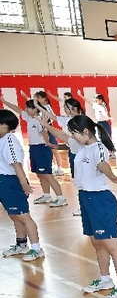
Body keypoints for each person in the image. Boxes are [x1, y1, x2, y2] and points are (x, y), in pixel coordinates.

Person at [66, 115, 117, 298]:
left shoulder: (99, 148)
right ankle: (105, 280)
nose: (72, 137)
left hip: (100, 200)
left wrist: (114, 178)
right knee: (97, 242)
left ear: (85, 131)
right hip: (85, 198)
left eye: (74, 133)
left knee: (112, 245)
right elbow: (64, 138)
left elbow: (102, 164)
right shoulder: (82, 147)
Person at [0, 96, 66, 207]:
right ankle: (46, 195)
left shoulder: (39, 120)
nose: (25, 109)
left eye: (28, 108)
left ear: (35, 109)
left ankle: (61, 197)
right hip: (34, 148)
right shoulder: (29, 118)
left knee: (47, 174)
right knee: (40, 174)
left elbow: (44, 132)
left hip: (42, 147)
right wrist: (5, 101)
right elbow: (17, 109)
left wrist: (48, 143)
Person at [0, 109, 44, 262]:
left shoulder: (9, 140)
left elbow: (16, 164)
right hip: (3, 182)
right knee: (15, 216)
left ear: (5, 126)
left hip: (11, 181)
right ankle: (21, 244)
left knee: (24, 217)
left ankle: (37, 248)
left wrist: (23, 184)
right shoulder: (2, 139)